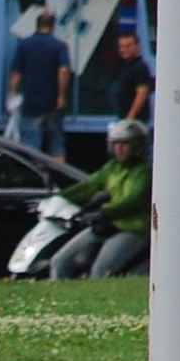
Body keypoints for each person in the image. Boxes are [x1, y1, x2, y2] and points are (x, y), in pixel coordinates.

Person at [50, 119, 152, 280]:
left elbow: (133, 201)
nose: (119, 149)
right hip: (106, 225)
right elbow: (89, 186)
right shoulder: (112, 167)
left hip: (132, 230)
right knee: (60, 261)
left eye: (125, 144)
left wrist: (103, 213)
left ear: (137, 146)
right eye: (116, 144)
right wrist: (59, 198)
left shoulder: (143, 172)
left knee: (100, 271)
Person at [7, 12, 73, 160]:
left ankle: (35, 180)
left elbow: (16, 76)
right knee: (57, 145)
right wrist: (61, 96)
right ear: (53, 27)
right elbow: (64, 70)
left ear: (36, 26)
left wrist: (13, 95)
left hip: (31, 104)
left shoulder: (24, 45)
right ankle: (59, 178)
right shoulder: (60, 46)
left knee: (30, 147)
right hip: (53, 104)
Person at [116, 31, 154, 124]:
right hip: (125, 120)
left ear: (137, 46)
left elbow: (142, 94)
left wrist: (130, 118)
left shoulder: (140, 67)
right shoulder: (126, 67)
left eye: (128, 46)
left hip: (135, 122)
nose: (124, 50)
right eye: (121, 47)